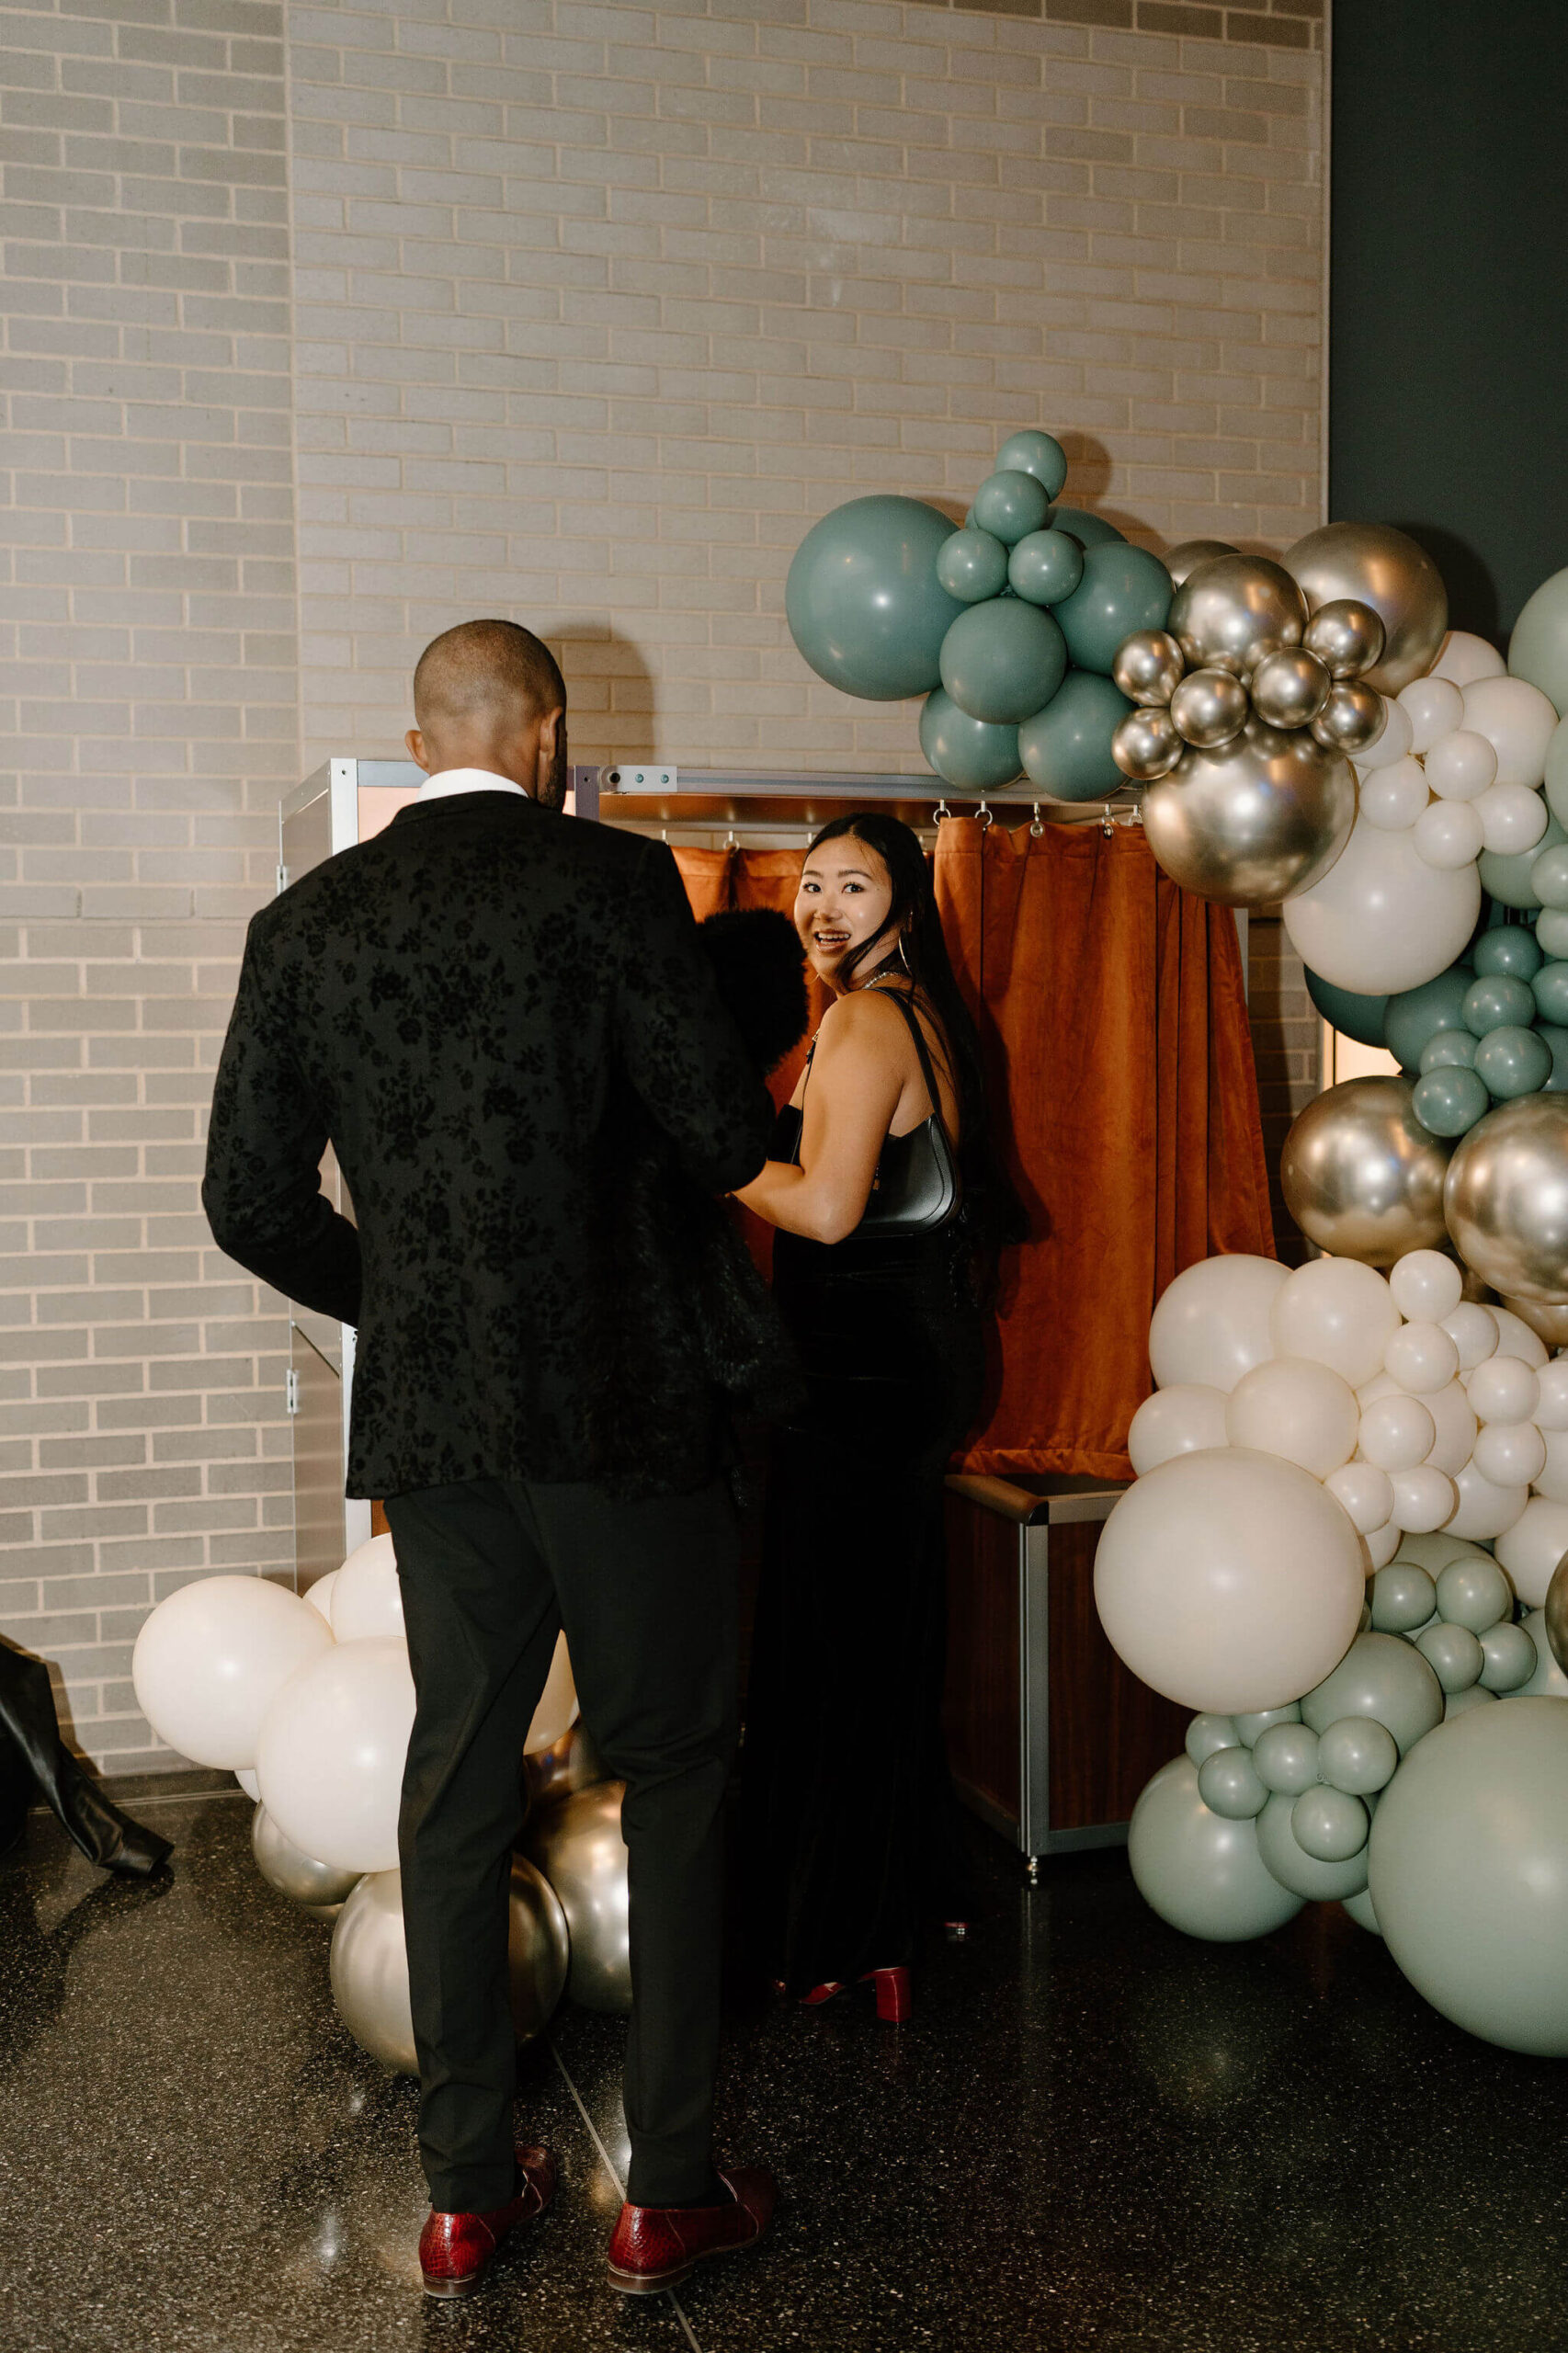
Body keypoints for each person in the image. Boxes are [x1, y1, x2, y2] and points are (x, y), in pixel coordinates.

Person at [202, 620, 778, 2301]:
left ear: (420, 733)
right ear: (549, 734)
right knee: (671, 1775)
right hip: (627, 1412)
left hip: (439, 1433)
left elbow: (247, 1204)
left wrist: (417, 1308)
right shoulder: (612, 885)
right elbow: (724, 1134)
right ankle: (665, 2190)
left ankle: (464, 2192)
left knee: (453, 1783)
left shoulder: (304, 922)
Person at [736, 812, 1022, 2022]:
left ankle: (840, 1936)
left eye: (853, 886)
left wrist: (709, 1156)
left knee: (825, 1652)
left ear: (903, 900)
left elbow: (825, 1214)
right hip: (909, 1366)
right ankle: (895, 1913)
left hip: (857, 1377)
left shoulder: (862, 1018)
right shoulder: (922, 1012)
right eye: (810, 886)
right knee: (878, 1639)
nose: (823, 908)